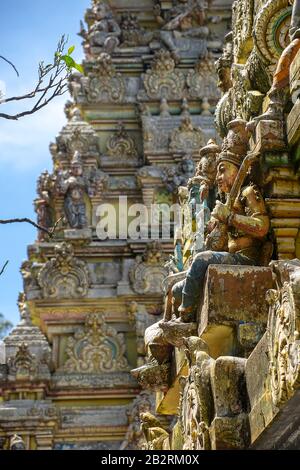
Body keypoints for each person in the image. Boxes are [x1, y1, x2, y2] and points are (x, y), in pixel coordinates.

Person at [172, 149, 270, 322]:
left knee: (201, 260)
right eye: (217, 171)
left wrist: (231, 218)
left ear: (238, 170)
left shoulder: (247, 193)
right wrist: (216, 226)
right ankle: (180, 313)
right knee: (177, 290)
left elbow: (262, 227)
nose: (218, 176)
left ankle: (185, 315)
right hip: (231, 256)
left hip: (245, 258)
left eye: (222, 170)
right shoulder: (227, 201)